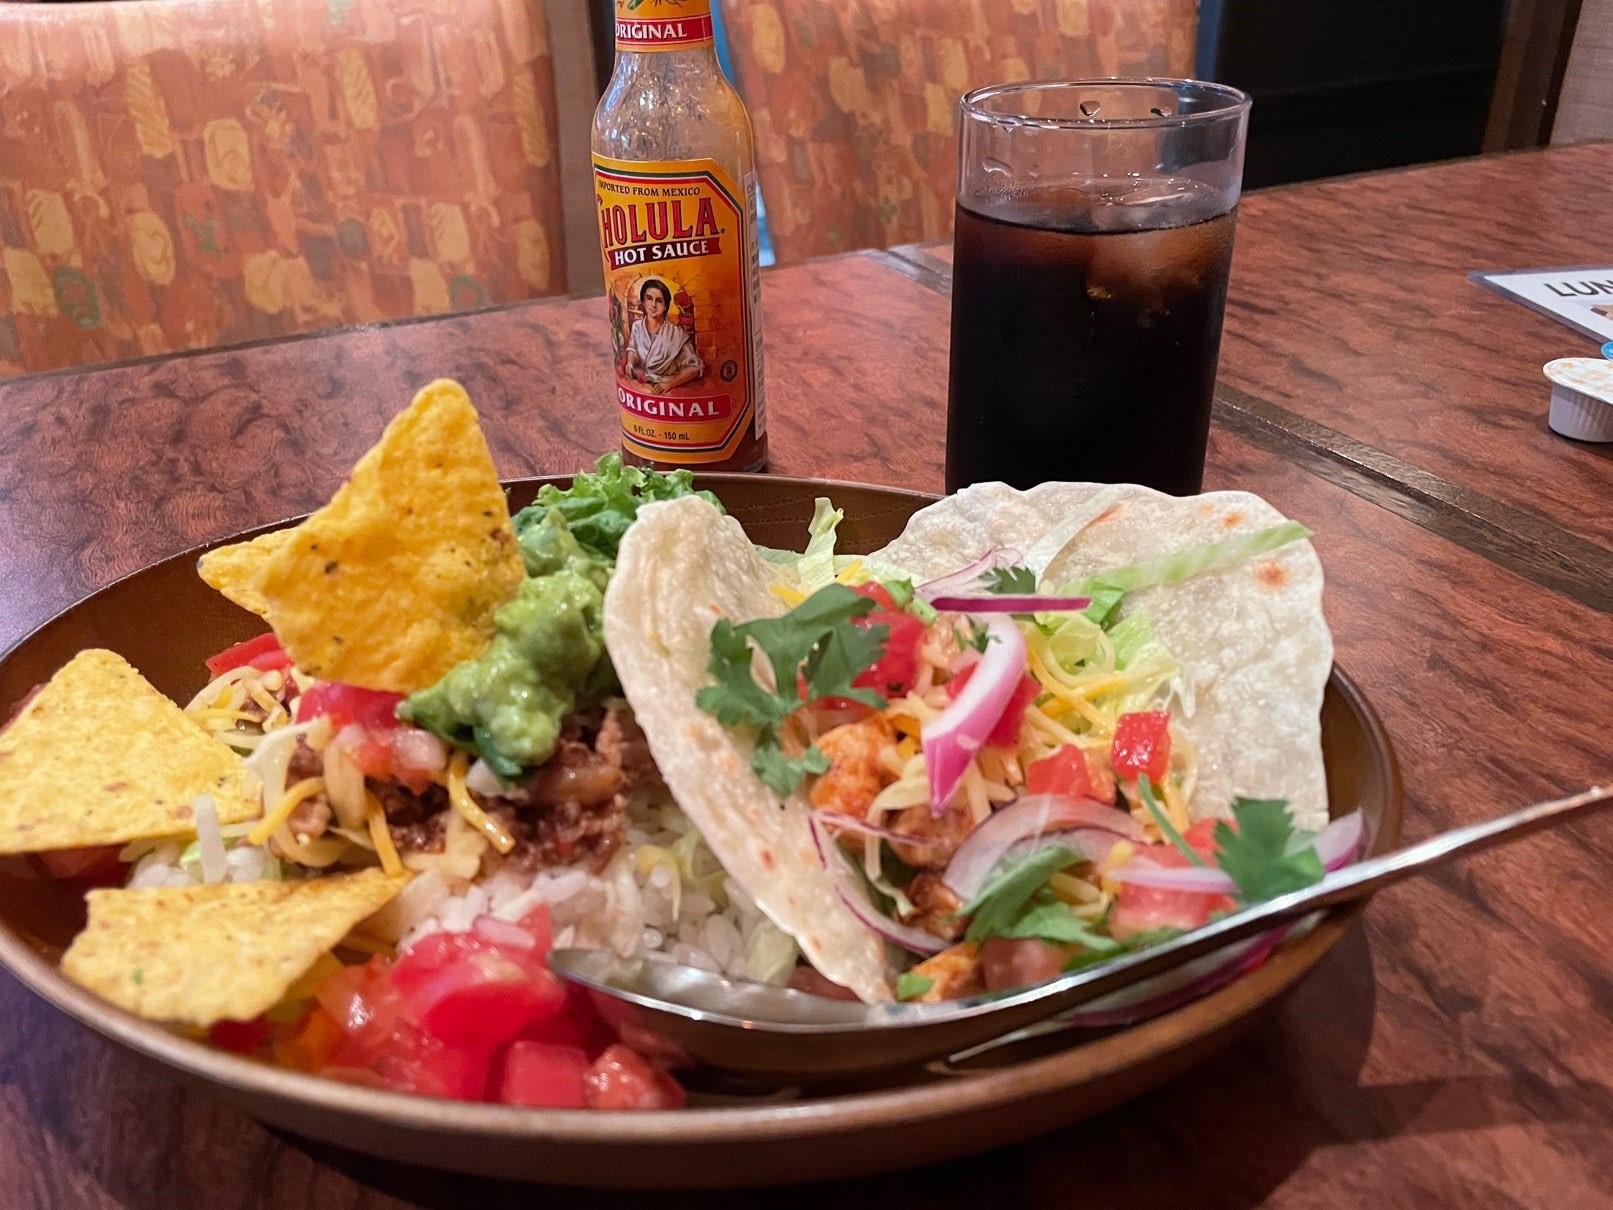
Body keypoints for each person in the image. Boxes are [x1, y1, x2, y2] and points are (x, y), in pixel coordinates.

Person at [623, 279, 704, 390]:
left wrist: (668, 385)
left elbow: (695, 368)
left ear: (665, 306)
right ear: (643, 302)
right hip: (643, 385)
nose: (653, 305)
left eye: (659, 301)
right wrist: (630, 363)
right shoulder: (637, 327)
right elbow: (633, 349)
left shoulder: (676, 334)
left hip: (669, 389)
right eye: (649, 299)